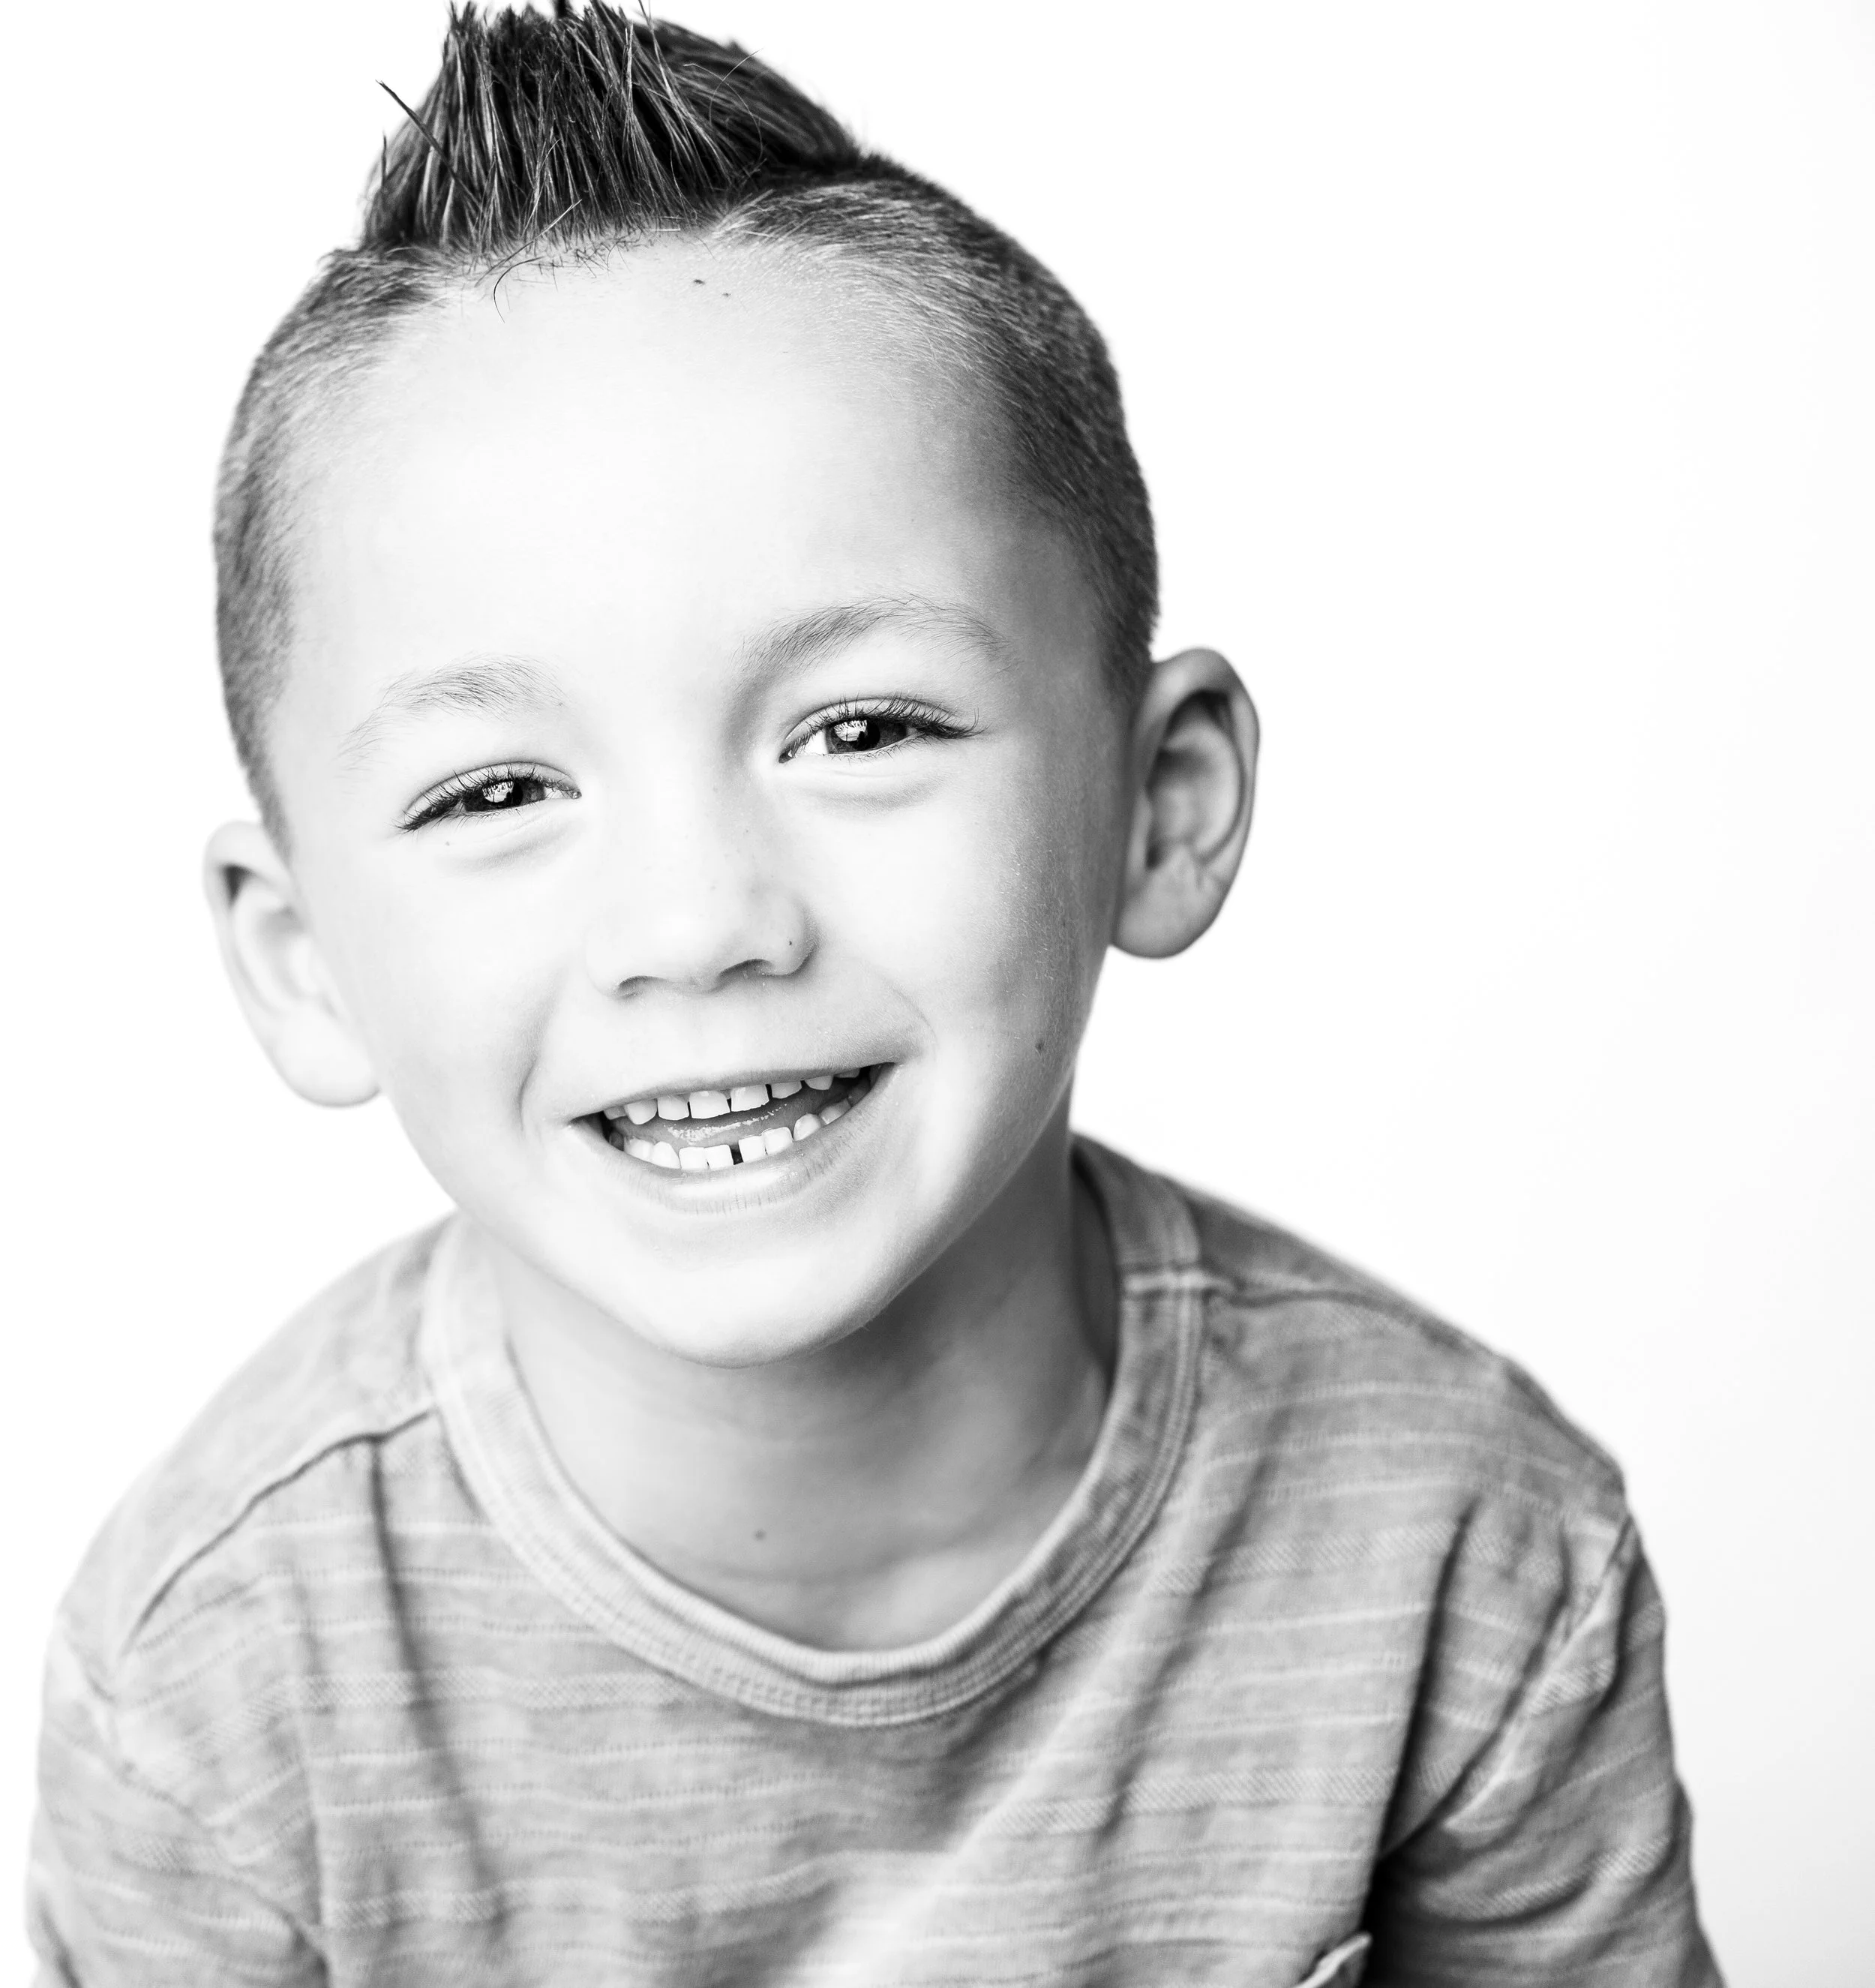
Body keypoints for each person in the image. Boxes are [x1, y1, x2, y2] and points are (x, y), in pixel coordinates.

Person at [28, 6, 1721, 1983]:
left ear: (1158, 806)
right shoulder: (217, 1684)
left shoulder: (1464, 1548)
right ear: (298, 954)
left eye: (861, 728)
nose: (697, 921)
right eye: (495, 791)